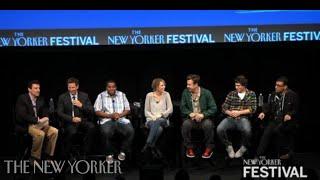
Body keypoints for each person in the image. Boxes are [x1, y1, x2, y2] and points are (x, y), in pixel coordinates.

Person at [15, 80, 58, 164]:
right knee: (40, 134)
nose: (38, 90)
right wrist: (37, 120)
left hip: (39, 124)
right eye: (35, 88)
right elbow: (22, 115)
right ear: (29, 89)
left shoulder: (40, 99)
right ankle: (34, 157)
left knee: (54, 131)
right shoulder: (22, 98)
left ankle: (47, 155)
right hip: (27, 125)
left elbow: (45, 111)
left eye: (39, 88)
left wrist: (46, 118)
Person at [256, 76, 299, 159]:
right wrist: (263, 112)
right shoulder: (273, 94)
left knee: (279, 131)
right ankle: (258, 156)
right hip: (275, 120)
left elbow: (295, 109)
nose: (276, 87)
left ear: (285, 87)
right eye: (276, 85)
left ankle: (287, 153)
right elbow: (268, 106)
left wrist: (289, 114)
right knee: (266, 133)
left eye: (279, 85)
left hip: (285, 121)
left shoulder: (292, 95)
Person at [94, 80, 134, 163]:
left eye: (113, 87)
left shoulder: (122, 95)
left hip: (121, 119)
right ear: (106, 88)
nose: (111, 88)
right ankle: (109, 153)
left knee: (130, 131)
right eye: (109, 87)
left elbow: (128, 109)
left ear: (116, 87)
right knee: (106, 132)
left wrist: (119, 115)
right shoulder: (101, 96)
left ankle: (123, 151)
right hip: (107, 119)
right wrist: (110, 115)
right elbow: (97, 111)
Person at [217, 75, 257, 159]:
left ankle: (243, 147)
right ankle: (228, 146)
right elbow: (224, 107)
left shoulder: (251, 94)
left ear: (244, 85)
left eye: (238, 85)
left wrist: (239, 112)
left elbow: (253, 109)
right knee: (219, 129)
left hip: (243, 118)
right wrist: (229, 112)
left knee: (247, 130)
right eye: (235, 85)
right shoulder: (232, 94)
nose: (236, 87)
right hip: (230, 118)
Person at [57, 77, 95, 158]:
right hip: (70, 122)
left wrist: (81, 105)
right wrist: (72, 119)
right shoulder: (62, 97)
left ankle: (85, 152)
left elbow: (91, 110)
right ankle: (68, 153)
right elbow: (59, 113)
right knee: (72, 132)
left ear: (77, 87)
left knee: (91, 127)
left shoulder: (84, 96)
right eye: (69, 87)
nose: (71, 89)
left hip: (82, 120)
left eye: (73, 87)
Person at [180, 74, 217, 159]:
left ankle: (209, 148)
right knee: (185, 124)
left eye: (189, 84)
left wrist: (203, 115)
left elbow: (214, 108)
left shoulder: (206, 93)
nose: (187, 86)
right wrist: (190, 113)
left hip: (204, 119)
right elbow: (182, 107)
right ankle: (189, 148)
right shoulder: (185, 92)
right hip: (191, 119)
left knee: (208, 125)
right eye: (187, 84)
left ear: (196, 84)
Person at [143, 78, 173, 152]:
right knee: (159, 129)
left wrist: (161, 114)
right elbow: (146, 111)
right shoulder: (149, 95)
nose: (164, 87)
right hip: (151, 120)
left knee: (159, 120)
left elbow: (170, 109)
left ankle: (148, 142)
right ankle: (152, 144)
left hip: (163, 119)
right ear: (156, 86)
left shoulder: (166, 94)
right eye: (162, 85)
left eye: (164, 85)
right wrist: (153, 117)